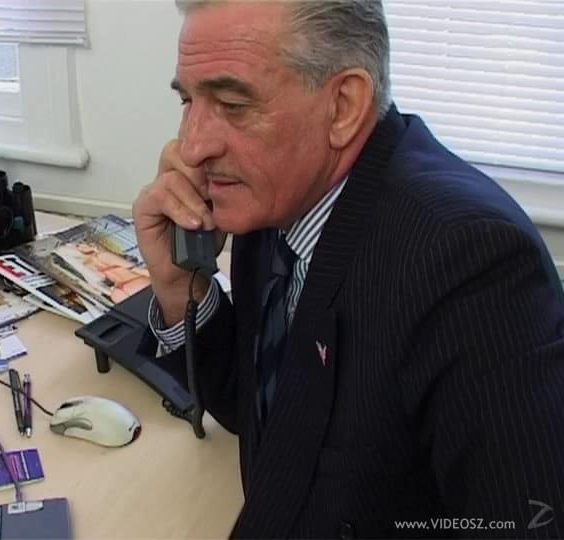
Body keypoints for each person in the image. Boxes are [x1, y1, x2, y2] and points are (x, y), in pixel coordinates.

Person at [132, 1, 564, 538]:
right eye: (188, 100)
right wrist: (182, 289)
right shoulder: (274, 201)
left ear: (343, 106)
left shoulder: (470, 261)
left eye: (233, 105)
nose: (192, 145)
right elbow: (270, 419)